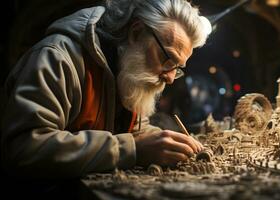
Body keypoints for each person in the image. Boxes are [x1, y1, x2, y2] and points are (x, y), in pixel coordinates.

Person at [1, 0, 208, 179]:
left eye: (177, 68)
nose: (170, 77)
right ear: (136, 33)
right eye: (167, 59)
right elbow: (24, 148)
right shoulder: (58, 59)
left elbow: (136, 133)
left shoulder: (128, 71)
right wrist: (131, 150)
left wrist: (168, 142)